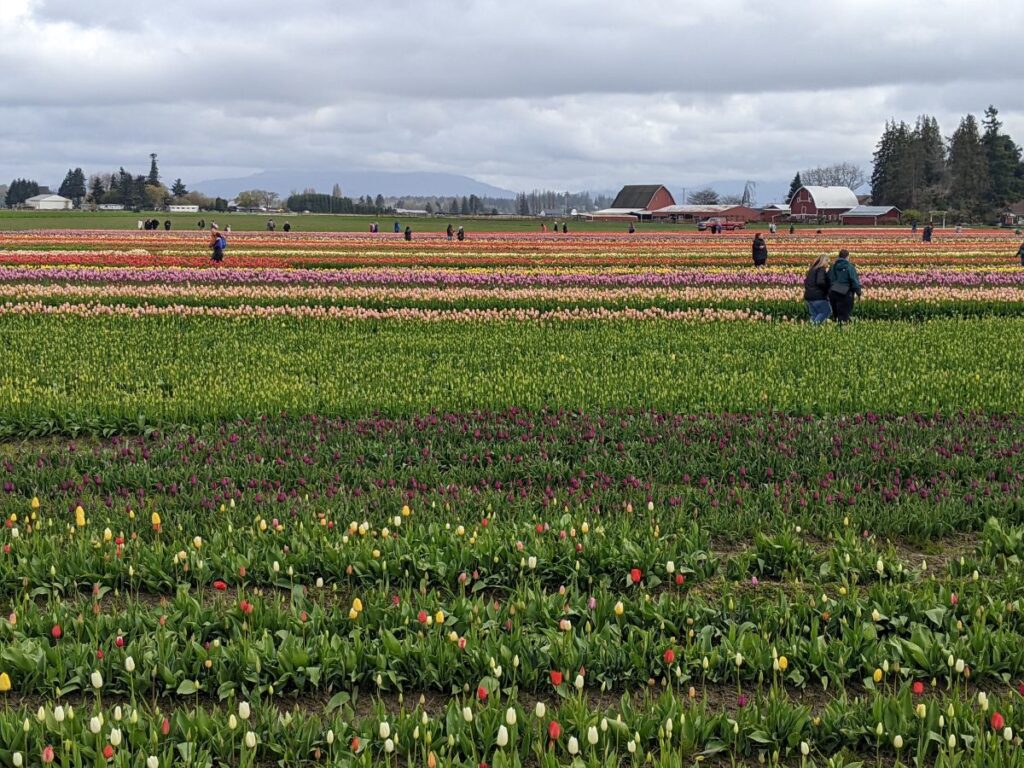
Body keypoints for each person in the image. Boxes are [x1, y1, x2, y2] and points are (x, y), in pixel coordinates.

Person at [827, 249, 862, 324]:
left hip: (832, 293)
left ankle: (836, 332)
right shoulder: (849, 266)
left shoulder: (832, 266)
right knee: (844, 316)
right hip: (845, 294)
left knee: (836, 316)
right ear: (847, 257)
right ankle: (842, 333)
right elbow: (853, 280)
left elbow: (828, 278)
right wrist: (858, 292)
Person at [803, 254, 832, 324]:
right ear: (824, 261)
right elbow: (820, 282)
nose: (828, 264)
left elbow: (806, 282)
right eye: (828, 262)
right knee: (826, 311)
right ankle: (814, 328)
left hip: (809, 297)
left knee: (815, 314)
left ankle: (809, 330)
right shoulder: (821, 269)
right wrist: (827, 287)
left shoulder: (812, 269)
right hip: (818, 296)